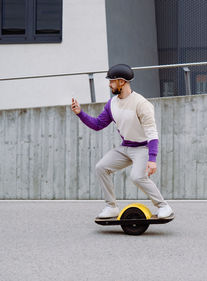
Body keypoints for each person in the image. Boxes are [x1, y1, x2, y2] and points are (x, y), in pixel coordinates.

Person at [71, 64, 173, 219]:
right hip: (125, 147)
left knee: (137, 177)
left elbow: (152, 133)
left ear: (121, 82)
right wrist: (80, 113)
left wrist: (152, 159)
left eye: (112, 81)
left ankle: (163, 206)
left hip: (143, 148)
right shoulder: (112, 104)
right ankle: (111, 207)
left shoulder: (141, 104)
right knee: (101, 167)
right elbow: (98, 125)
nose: (109, 84)